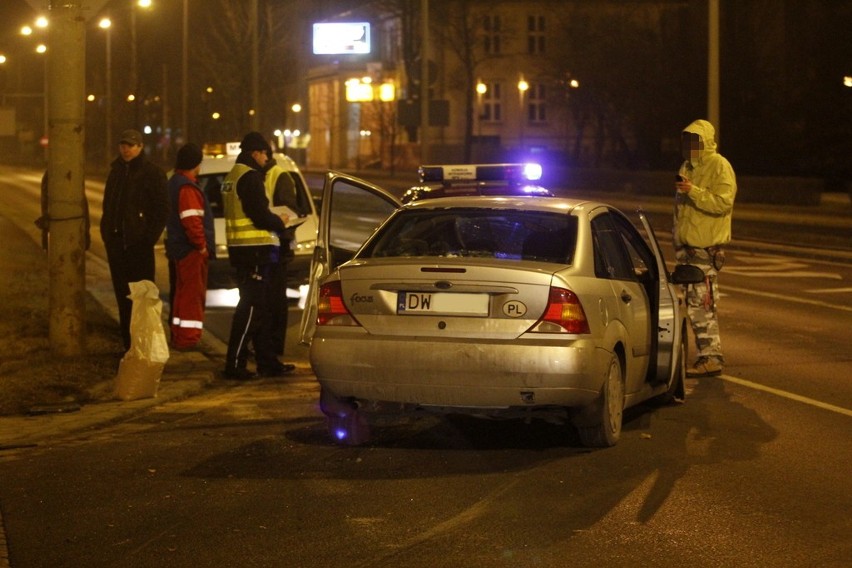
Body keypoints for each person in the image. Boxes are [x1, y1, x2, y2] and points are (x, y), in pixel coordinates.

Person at [221, 132, 295, 380]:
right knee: (251, 309)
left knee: (259, 308)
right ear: (255, 153)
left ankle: (267, 362)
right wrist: (281, 221)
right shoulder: (250, 178)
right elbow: (259, 215)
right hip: (255, 252)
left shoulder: (233, 176)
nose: (266, 158)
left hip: (244, 251)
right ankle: (235, 363)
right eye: (265, 153)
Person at [673, 119, 737, 378]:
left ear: (706, 142)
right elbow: (681, 211)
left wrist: (694, 191)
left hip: (704, 250)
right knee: (693, 305)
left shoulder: (719, 166)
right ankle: (706, 355)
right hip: (688, 250)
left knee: (703, 304)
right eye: (687, 141)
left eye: (695, 141)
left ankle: (711, 357)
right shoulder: (687, 167)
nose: (690, 146)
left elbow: (723, 203)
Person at [100, 129, 169, 351]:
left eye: (130, 145)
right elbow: (109, 205)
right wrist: (107, 234)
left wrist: (147, 239)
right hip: (117, 245)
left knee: (143, 297)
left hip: (138, 247)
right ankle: (129, 345)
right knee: (123, 297)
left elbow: (161, 210)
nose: (126, 149)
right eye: (123, 145)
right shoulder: (116, 172)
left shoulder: (152, 173)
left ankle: (145, 345)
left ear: (140, 147)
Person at [165, 143, 214, 350]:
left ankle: (179, 334)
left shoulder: (174, 182)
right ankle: (188, 338)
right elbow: (192, 220)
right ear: (196, 163)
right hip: (190, 250)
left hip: (179, 248)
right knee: (192, 296)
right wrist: (201, 246)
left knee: (181, 293)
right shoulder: (187, 187)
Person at [263, 150, 301, 357]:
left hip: (277, 246)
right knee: (266, 300)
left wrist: (281, 234)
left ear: (263, 155)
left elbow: (289, 212)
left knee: (276, 300)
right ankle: (266, 346)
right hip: (264, 246)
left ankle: (274, 348)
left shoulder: (279, 176)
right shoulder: (257, 175)